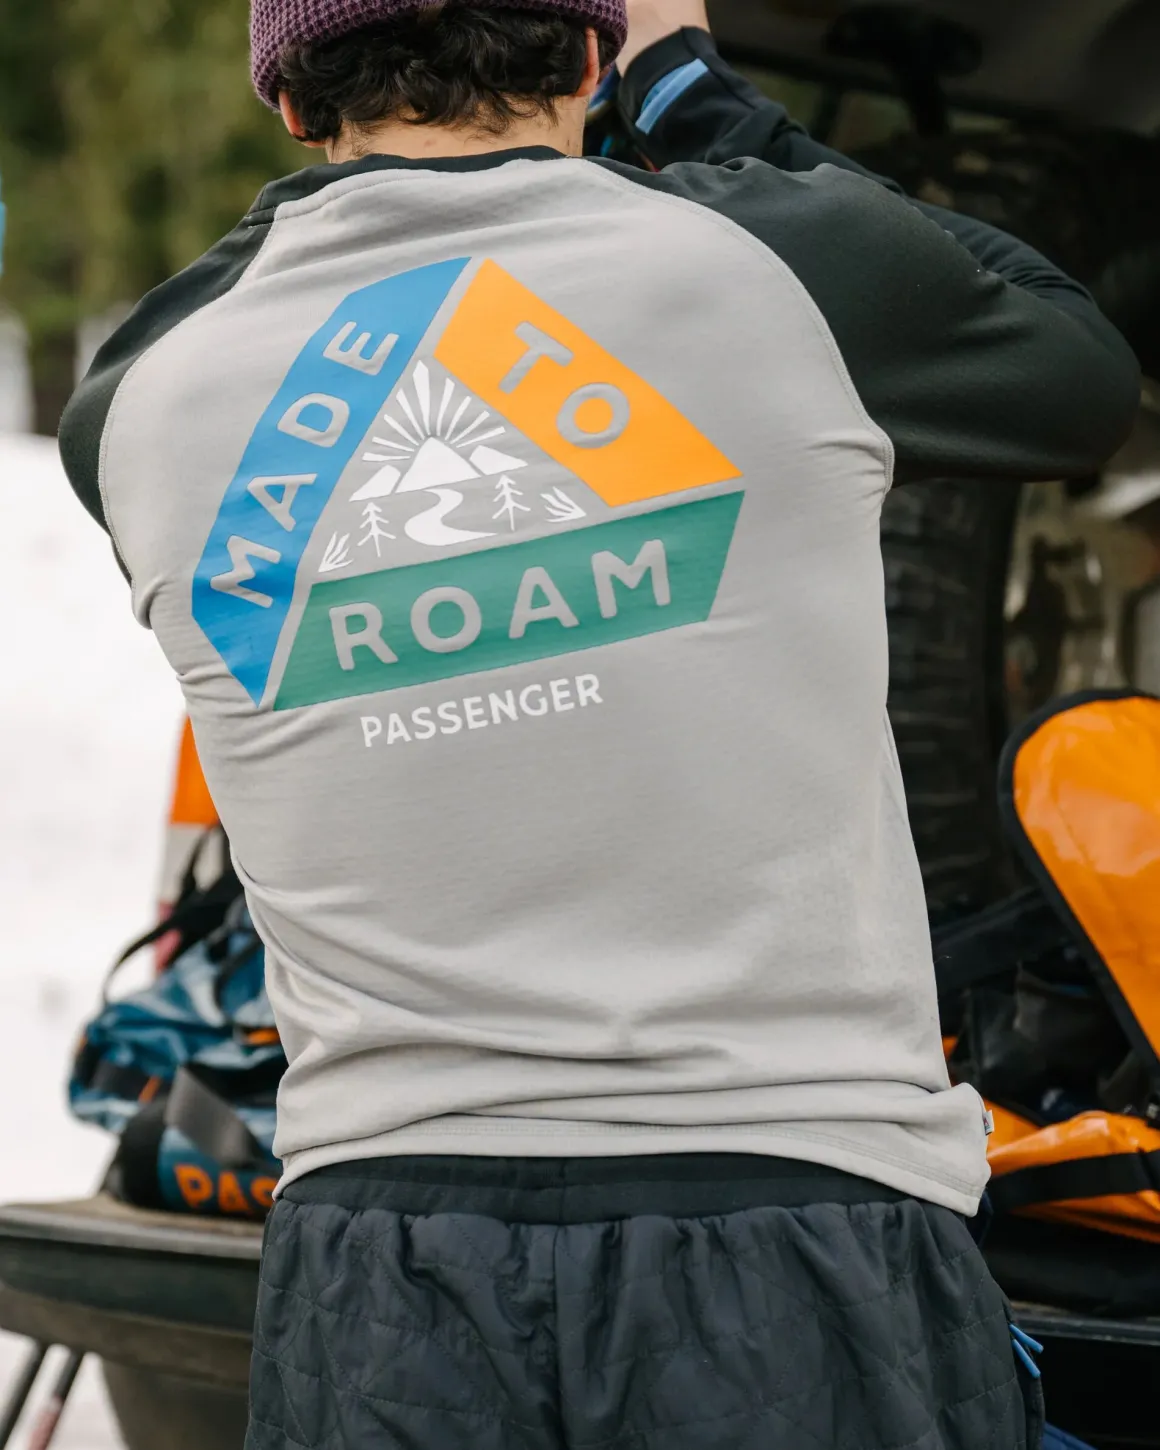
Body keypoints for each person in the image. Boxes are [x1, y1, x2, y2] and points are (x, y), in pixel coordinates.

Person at [60, 0, 1138, 1442]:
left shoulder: (138, 403)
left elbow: (242, 297)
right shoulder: (771, 270)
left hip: (376, 1274)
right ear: (588, 53)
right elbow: (1077, 367)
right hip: (794, 1230)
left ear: (292, 101)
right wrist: (699, 102)